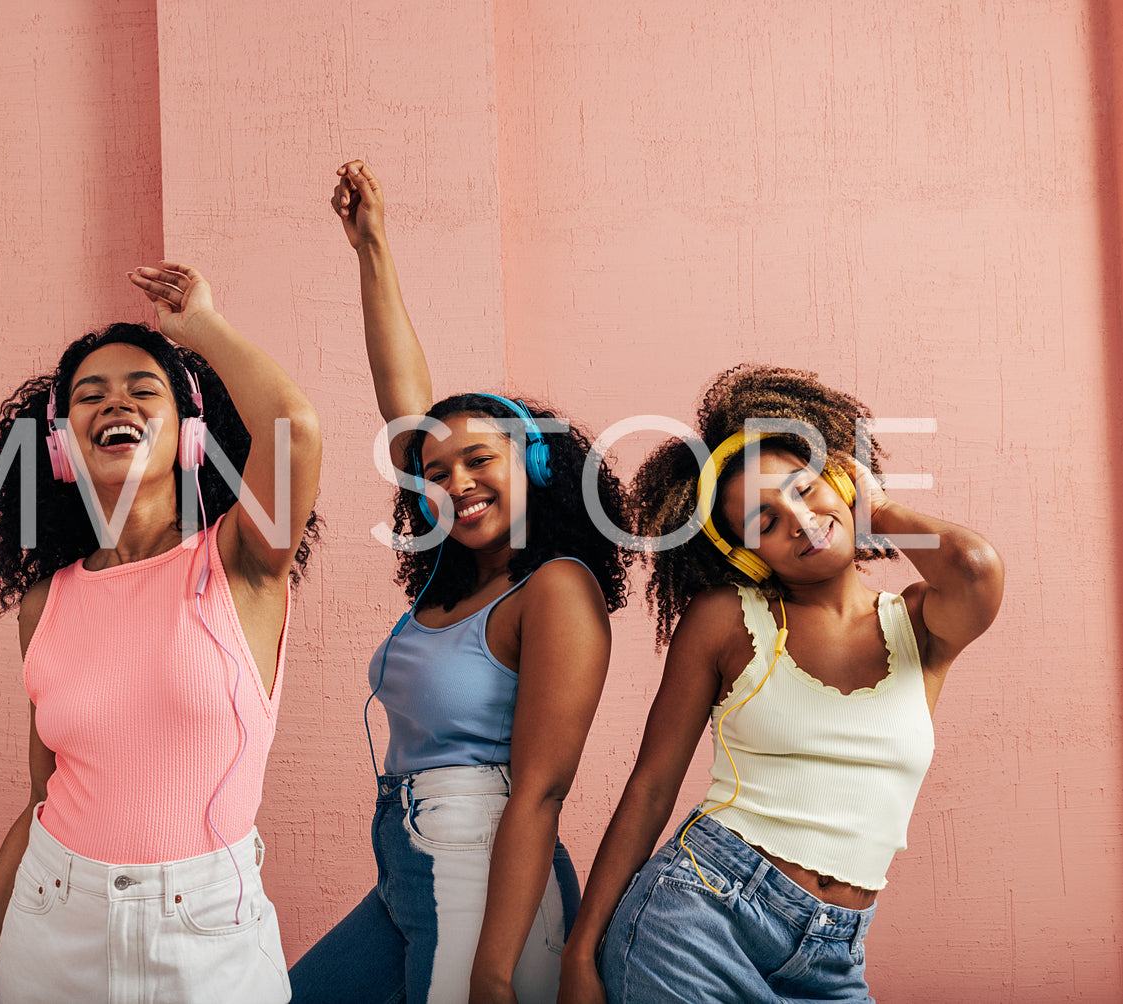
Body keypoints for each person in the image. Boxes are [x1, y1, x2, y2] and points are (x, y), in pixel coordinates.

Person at [0, 262, 322, 1003]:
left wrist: (202, 330)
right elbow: (44, 803)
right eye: (89, 397)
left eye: (143, 391)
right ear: (62, 447)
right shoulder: (47, 603)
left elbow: (295, 430)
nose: (114, 403)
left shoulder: (240, 562)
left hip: (205, 940)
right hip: (54, 923)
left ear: (192, 438)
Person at [288, 160, 632, 1004]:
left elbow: (542, 792)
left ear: (537, 466)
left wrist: (495, 968)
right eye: (434, 471)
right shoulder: (456, 583)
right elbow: (404, 410)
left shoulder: (555, 589)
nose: (455, 482)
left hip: (485, 880)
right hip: (411, 865)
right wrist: (371, 250)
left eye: (479, 459)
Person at [558, 365, 1004, 1003]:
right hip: (699, 916)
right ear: (744, 553)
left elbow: (973, 565)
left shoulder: (920, 627)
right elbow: (652, 785)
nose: (798, 519)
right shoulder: (726, 622)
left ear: (841, 476)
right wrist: (582, 951)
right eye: (764, 521)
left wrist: (876, 507)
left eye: (805, 487)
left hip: (834, 956)